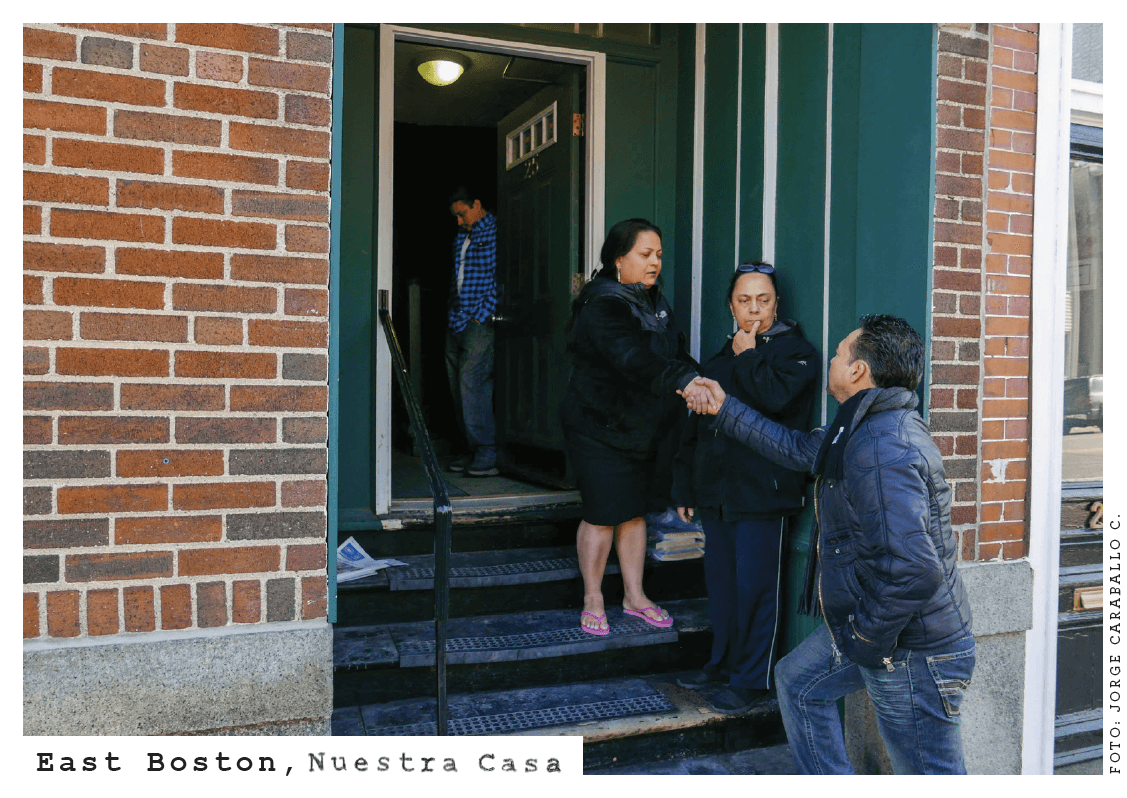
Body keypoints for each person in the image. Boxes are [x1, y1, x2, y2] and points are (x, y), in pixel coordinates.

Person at [684, 314, 975, 774]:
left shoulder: (882, 446)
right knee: (798, 682)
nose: (833, 360)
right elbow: (798, 448)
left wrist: (863, 640)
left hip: (911, 649)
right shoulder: (857, 428)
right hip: (880, 630)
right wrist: (725, 408)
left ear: (858, 371)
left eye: (840, 354)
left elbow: (914, 569)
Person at [671, 262, 818, 714]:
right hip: (717, 493)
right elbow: (693, 428)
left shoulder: (798, 355)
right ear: (730, 305)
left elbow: (773, 400)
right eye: (743, 300)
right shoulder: (720, 358)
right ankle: (721, 664)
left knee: (756, 591)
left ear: (777, 303)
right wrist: (685, 487)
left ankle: (751, 681)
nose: (753, 309)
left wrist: (748, 353)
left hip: (764, 494)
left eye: (763, 299)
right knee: (723, 588)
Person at [560, 218, 711, 635]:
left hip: (641, 429)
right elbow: (633, 359)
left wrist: (706, 383)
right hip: (597, 426)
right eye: (645, 255)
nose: (655, 262)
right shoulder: (603, 304)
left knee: (634, 514)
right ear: (618, 259)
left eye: (659, 255)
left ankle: (634, 596)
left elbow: (676, 353)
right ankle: (593, 596)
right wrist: (683, 382)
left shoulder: (651, 299)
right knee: (603, 513)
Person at [444, 186, 499, 477]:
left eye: (462, 214)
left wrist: (482, 314)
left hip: (479, 320)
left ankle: (487, 451)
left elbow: (501, 276)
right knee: (457, 385)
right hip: (456, 320)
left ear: (477, 203)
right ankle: (471, 448)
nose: (459, 221)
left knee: (472, 381)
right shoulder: (461, 237)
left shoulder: (495, 231)